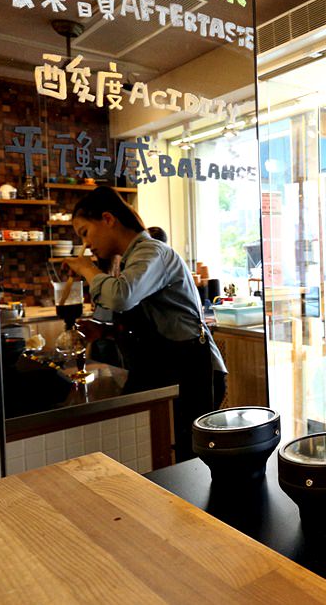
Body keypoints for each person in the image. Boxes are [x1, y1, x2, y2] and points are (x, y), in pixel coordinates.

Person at [63, 187, 227, 462]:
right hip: (166, 369)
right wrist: (102, 330)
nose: (86, 243)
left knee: (189, 461)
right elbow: (141, 318)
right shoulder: (130, 260)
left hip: (192, 370)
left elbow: (122, 296)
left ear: (107, 219)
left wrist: (86, 269)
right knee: (159, 453)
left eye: (84, 232)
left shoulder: (153, 251)